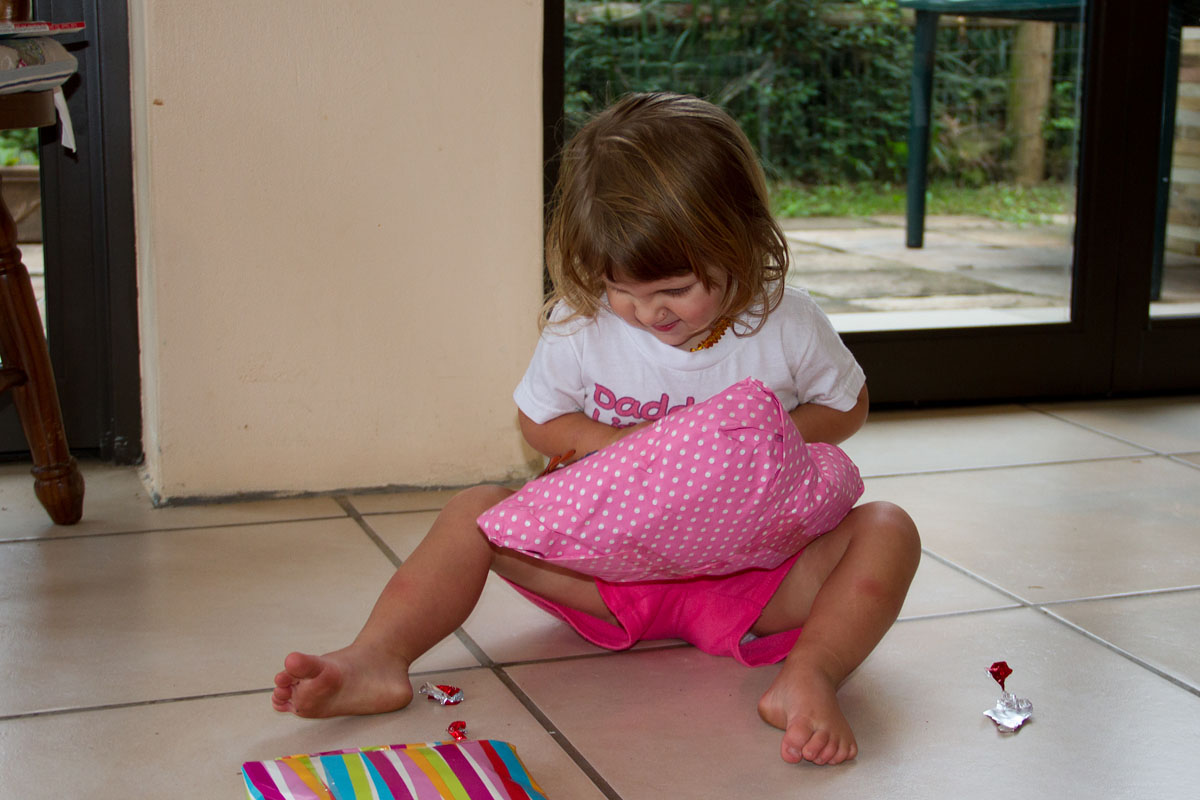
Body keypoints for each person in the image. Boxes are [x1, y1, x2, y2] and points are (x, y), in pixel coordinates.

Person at [273, 92, 920, 767]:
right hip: (611, 576)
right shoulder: (582, 327)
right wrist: (628, 449)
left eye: (673, 289)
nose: (648, 313)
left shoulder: (787, 320)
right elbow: (539, 420)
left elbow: (848, 406)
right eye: (625, 291)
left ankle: (810, 674)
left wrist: (769, 439)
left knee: (888, 528)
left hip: (755, 579)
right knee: (476, 512)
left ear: (741, 239)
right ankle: (377, 656)